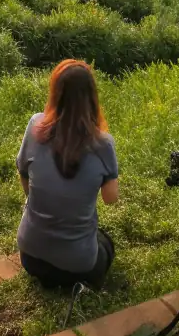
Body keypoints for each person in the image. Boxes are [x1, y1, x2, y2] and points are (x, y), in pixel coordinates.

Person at [16, 60, 118, 289]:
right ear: (92, 97)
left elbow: (23, 174)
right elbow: (111, 198)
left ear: (55, 93)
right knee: (105, 242)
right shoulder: (103, 144)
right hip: (79, 267)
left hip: (30, 257)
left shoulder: (35, 125)